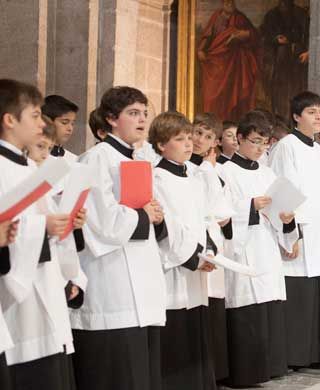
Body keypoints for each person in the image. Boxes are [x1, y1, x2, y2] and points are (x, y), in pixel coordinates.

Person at [71, 86, 167, 390]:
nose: (142, 120)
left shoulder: (138, 158)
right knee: (116, 368)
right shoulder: (96, 159)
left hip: (138, 272)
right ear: (112, 118)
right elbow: (100, 220)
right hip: (110, 276)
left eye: (144, 113)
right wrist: (143, 216)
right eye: (133, 113)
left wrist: (153, 213)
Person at [0, 79, 81, 390]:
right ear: (10, 120)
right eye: (34, 115)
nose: (40, 122)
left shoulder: (27, 167)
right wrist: (43, 227)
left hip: (44, 278)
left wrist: (64, 221)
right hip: (19, 292)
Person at [220, 110, 298, 386]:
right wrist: (249, 207)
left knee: (269, 304)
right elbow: (222, 214)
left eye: (264, 143)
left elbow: (279, 211)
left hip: (267, 245)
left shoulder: (268, 172)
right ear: (239, 138)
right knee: (246, 305)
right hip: (243, 247)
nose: (259, 148)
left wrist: (288, 221)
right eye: (254, 141)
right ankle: (245, 372)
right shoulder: (224, 171)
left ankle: (272, 366)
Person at [148, 111, 219, 390]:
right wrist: (192, 257)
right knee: (177, 334)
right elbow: (166, 225)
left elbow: (206, 216)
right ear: (162, 145)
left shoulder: (193, 174)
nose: (189, 144)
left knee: (195, 332)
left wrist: (210, 248)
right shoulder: (157, 178)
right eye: (180, 139)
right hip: (176, 269)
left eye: (190, 138)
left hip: (198, 264)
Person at [269, 91, 320, 368]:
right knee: (300, 294)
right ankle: (297, 354)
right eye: (311, 112)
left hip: (319, 229)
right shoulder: (287, 146)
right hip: (299, 230)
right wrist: (290, 234)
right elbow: (282, 190)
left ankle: (315, 353)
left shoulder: (319, 150)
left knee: (318, 293)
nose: (318, 117)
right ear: (296, 116)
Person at [189, 112, 232, 383]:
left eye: (206, 137)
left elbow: (223, 212)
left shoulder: (211, 172)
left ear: (214, 142)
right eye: (196, 133)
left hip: (212, 240)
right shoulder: (184, 168)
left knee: (210, 307)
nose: (198, 140)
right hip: (192, 245)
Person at [197, 0, 260, 121]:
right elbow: (207, 35)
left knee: (234, 94)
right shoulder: (216, 17)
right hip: (217, 61)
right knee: (213, 96)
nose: (229, 4)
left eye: (231, 2)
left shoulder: (240, 18)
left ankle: (234, 121)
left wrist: (244, 34)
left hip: (236, 63)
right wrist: (200, 50)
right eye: (226, 2)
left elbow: (254, 35)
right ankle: (213, 122)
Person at [260, 0, 310, 118]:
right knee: (279, 96)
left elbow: (308, 36)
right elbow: (264, 36)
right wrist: (276, 39)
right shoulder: (271, 15)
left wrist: (307, 52)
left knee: (296, 94)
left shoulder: (301, 14)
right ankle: (279, 119)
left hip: (297, 64)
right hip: (278, 64)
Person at [41, 95, 79, 162]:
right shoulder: (34, 158)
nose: (70, 128)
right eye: (64, 122)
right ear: (47, 121)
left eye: (72, 124)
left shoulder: (75, 160)